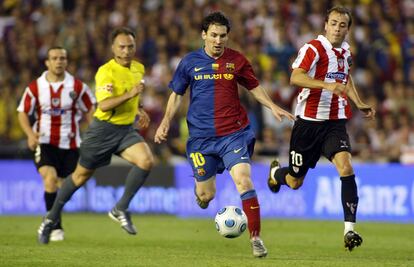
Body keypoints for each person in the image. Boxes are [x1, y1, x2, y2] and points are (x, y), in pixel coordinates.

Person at [154, 12, 294, 258]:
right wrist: (165, 121)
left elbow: (254, 86)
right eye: (214, 35)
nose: (218, 40)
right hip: (201, 139)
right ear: (204, 35)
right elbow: (176, 94)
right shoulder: (189, 62)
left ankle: (256, 238)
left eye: (223, 36)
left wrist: (271, 106)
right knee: (206, 195)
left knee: (243, 180)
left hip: (233, 134)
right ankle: (203, 196)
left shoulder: (237, 60)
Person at [267, 6, 375, 251]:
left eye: (343, 25)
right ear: (326, 24)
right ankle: (276, 175)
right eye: (334, 23)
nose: (338, 28)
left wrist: (358, 104)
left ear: (348, 28)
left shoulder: (346, 51)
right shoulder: (313, 48)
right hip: (307, 124)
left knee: (346, 167)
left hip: (335, 123)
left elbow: (346, 80)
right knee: (295, 182)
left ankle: (350, 231)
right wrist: (326, 85)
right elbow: (296, 77)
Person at [37, 27, 155, 244]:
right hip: (102, 130)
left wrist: (138, 109)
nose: (127, 50)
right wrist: (131, 94)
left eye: (130, 46)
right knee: (80, 177)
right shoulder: (105, 72)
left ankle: (120, 208)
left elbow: (129, 97)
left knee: (146, 160)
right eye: (122, 46)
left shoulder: (139, 68)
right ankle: (50, 219)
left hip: (126, 130)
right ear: (113, 48)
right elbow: (104, 104)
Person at [17, 46, 96, 242]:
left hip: (70, 145)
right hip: (44, 142)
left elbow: (90, 109)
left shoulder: (77, 87)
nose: (59, 61)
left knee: (66, 185)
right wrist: (29, 133)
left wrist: (94, 131)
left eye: (62, 58)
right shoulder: (36, 87)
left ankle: (52, 217)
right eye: (55, 58)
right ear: (47, 62)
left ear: (67, 61)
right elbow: (22, 112)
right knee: (50, 179)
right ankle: (54, 226)